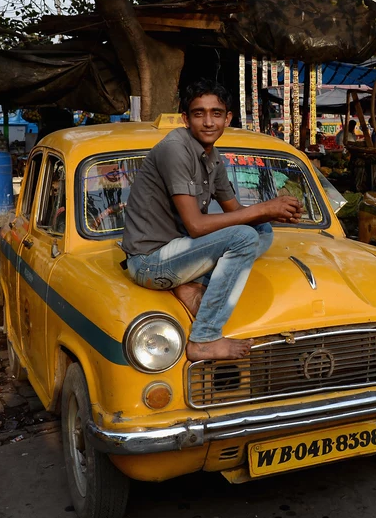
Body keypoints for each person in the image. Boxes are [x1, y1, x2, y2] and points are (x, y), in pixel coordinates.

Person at [121, 79, 303, 361]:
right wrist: (264, 208)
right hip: (148, 262)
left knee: (261, 229)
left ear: (227, 118)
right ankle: (204, 338)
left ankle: (189, 285)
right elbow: (196, 225)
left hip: (181, 252)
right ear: (186, 118)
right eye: (199, 113)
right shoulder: (175, 149)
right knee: (245, 235)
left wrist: (276, 211)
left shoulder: (212, 157)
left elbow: (235, 210)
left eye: (216, 113)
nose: (208, 122)